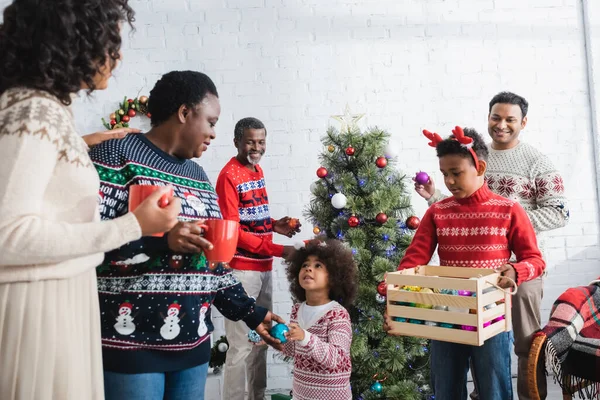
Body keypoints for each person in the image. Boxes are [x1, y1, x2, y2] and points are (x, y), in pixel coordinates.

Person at [0, 1, 181, 399]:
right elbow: (6, 234)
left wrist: (76, 146)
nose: (116, 55)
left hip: (55, 294)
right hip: (39, 307)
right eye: (109, 41)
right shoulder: (36, 112)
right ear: (72, 41)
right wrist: (134, 225)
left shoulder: (42, 111)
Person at [88, 71, 283, 400]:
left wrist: (252, 313)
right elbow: (86, 242)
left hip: (193, 344)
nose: (213, 133)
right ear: (184, 113)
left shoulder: (199, 176)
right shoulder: (114, 156)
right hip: (130, 344)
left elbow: (213, 264)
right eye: (210, 121)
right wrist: (161, 240)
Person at [415, 92, 569, 400]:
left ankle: (528, 395)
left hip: (507, 279)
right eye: (495, 117)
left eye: (510, 119)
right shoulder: (463, 170)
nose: (501, 124)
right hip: (456, 299)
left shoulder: (534, 163)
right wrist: (436, 197)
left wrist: (509, 223)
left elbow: (558, 212)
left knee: (520, 346)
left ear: (522, 122)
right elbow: (451, 213)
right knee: (449, 379)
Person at [385, 127, 546, 400]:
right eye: (444, 173)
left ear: (479, 167)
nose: (448, 181)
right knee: (445, 387)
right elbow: (414, 259)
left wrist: (515, 270)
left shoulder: (509, 209)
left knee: (494, 389)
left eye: (456, 173)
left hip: (492, 316)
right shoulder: (438, 211)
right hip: (446, 314)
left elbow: (535, 260)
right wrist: (393, 295)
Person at [216, 117, 300, 400]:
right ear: (237, 141)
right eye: (250, 141)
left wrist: (277, 225)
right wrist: (279, 249)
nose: (256, 147)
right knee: (240, 346)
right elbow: (233, 231)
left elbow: (251, 219)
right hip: (242, 272)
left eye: (261, 141)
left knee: (262, 338)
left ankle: (258, 397)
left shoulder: (257, 170)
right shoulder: (229, 175)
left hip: (262, 268)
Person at [280, 238, 358, 400]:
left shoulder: (337, 314)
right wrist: (272, 336)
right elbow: (292, 350)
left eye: (318, 266)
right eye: (305, 265)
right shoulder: (297, 310)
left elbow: (338, 359)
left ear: (334, 277)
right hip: (301, 394)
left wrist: (305, 337)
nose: (309, 268)